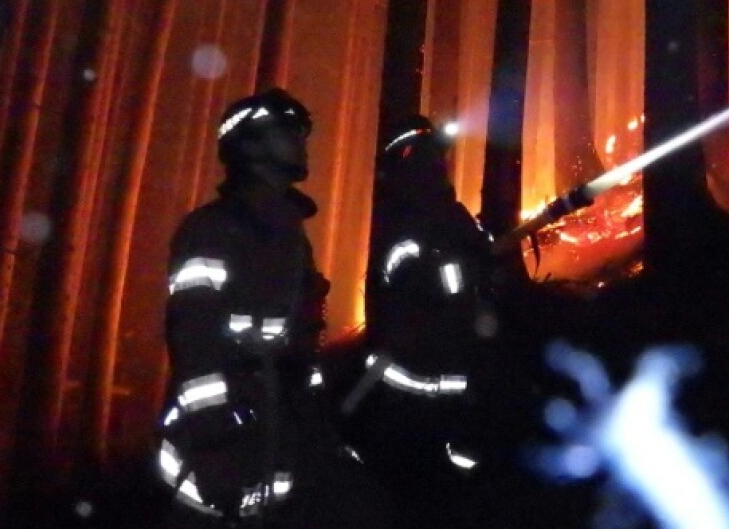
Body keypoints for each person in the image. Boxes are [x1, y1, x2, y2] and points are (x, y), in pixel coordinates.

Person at [156, 87, 392, 528]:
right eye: (286, 130)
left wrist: (315, 412)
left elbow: (299, 335)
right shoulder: (212, 230)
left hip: (281, 424)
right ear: (248, 144)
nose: (301, 140)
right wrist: (216, 435)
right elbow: (194, 336)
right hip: (223, 441)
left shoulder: (289, 233)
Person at [343, 114, 519, 526]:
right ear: (410, 165)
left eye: (439, 159)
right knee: (410, 484)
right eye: (429, 159)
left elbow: (480, 264)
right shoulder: (405, 232)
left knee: (458, 481)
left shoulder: (452, 217)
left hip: (456, 378)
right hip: (411, 387)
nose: (440, 167)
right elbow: (407, 306)